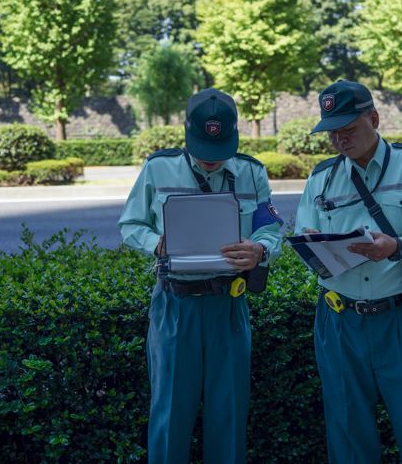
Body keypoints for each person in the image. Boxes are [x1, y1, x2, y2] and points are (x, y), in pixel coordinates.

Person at [118, 87, 283, 464]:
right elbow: (130, 224)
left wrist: (259, 249)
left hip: (229, 304)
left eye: (220, 149)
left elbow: (270, 229)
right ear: (187, 133)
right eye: (203, 151)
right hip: (176, 304)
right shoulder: (158, 168)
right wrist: (155, 242)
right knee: (170, 412)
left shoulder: (251, 172)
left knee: (229, 410)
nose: (211, 161)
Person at [294, 80, 402, 463]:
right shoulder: (321, 178)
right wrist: (314, 243)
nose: (340, 141)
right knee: (348, 434)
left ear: (375, 119)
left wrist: (396, 247)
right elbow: (303, 235)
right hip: (338, 320)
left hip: (397, 318)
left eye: (348, 129)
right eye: (333, 132)